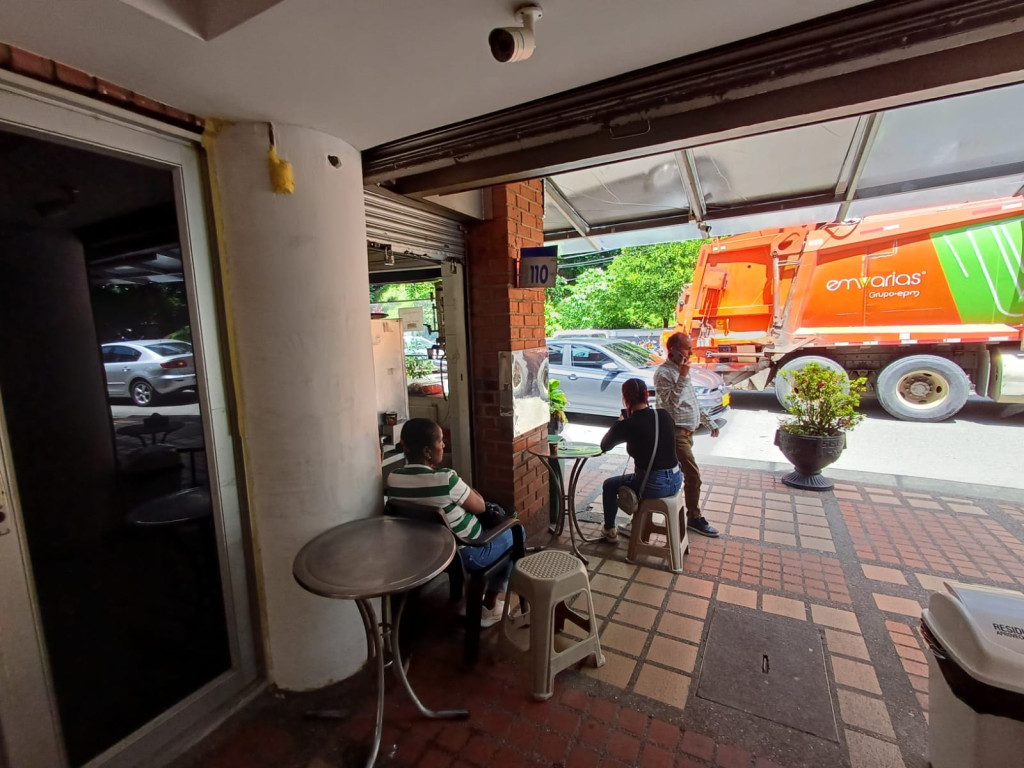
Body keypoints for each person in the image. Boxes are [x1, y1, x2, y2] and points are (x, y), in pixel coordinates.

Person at [386, 418, 513, 627]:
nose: (443, 445)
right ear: (427, 452)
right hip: (466, 552)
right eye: (440, 441)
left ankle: (466, 595)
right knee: (515, 531)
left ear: (404, 446)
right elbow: (480, 506)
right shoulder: (446, 479)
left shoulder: (394, 478)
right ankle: (489, 606)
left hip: (425, 550)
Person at [598, 378, 682, 542]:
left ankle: (609, 529)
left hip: (654, 484)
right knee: (637, 477)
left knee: (609, 485)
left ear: (625, 398)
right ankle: (635, 524)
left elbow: (605, 445)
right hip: (676, 479)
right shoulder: (663, 415)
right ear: (646, 395)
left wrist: (620, 422)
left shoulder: (629, 424)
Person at [654, 332, 721, 537]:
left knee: (683, 474)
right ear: (674, 350)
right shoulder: (664, 373)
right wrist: (682, 378)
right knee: (693, 475)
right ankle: (694, 516)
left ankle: (685, 512)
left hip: (688, 433)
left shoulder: (682, 371)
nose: (691, 352)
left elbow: (692, 400)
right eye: (687, 348)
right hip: (676, 434)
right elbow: (669, 404)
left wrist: (709, 422)